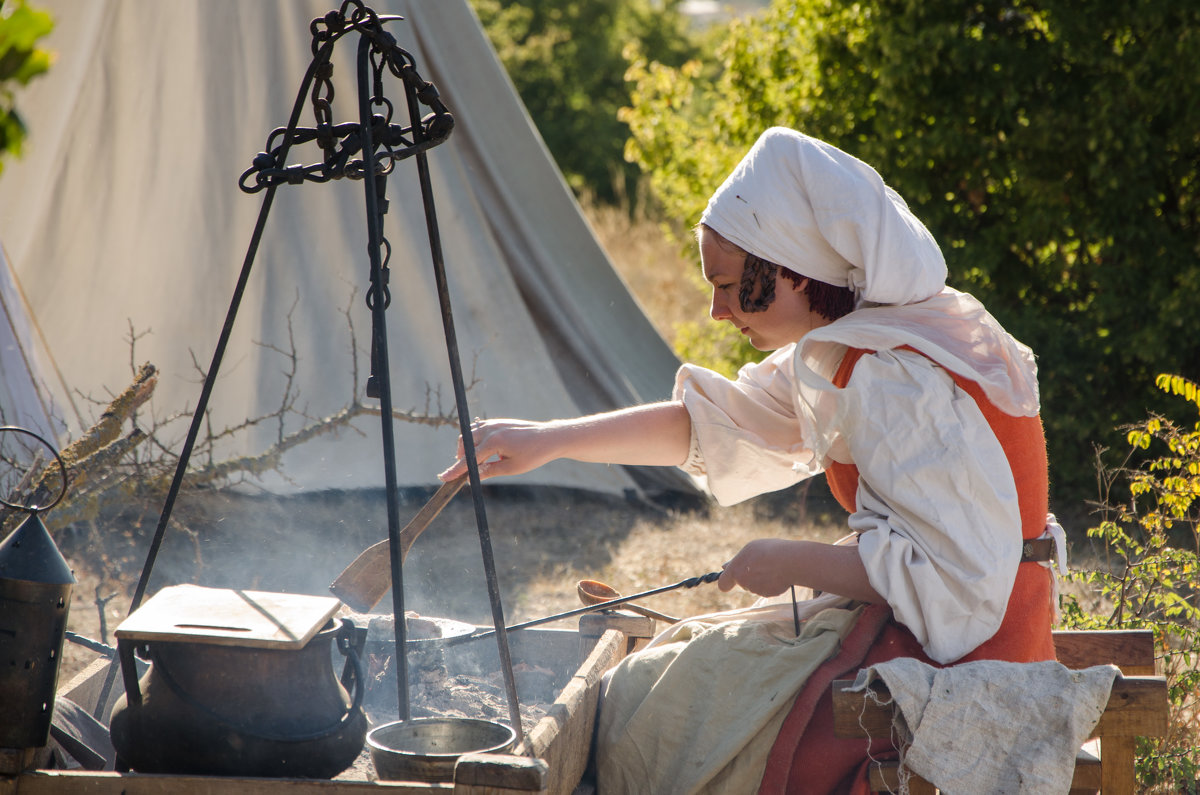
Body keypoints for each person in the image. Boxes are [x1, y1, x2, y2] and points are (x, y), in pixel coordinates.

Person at [439, 127, 1064, 794]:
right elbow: (720, 421)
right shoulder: (864, 345)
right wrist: (548, 439)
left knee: (659, 706)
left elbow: (957, 579)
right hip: (932, 630)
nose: (716, 310)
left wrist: (787, 559)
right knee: (667, 667)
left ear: (793, 269)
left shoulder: (895, 374)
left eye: (732, 286)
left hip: (972, 653)